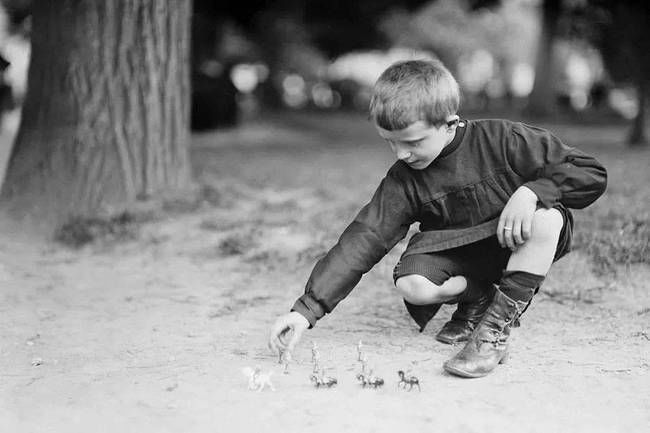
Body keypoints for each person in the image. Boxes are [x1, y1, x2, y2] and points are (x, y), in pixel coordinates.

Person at [268, 59, 607, 378]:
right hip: (459, 252)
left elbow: (590, 174)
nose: (401, 153)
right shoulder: (403, 178)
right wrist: (305, 310)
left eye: (412, 142)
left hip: (517, 241)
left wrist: (533, 192)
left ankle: (493, 331)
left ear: (448, 122)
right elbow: (366, 236)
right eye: (390, 143)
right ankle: (480, 296)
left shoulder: (505, 139)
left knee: (547, 217)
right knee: (412, 285)